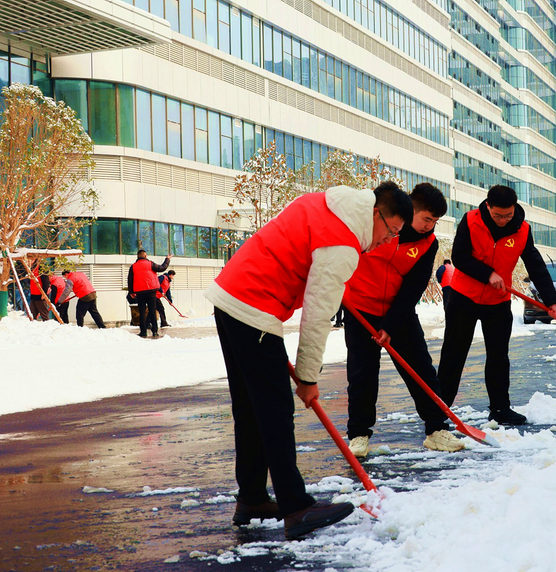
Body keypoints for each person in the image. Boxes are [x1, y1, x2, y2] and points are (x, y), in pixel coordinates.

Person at [204, 182, 412, 540]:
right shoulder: (343, 244)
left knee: (253, 409)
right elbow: (317, 316)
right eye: (391, 231)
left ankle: (252, 498)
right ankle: (296, 506)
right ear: (376, 213)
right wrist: (308, 377)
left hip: (231, 295)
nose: (388, 241)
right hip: (255, 304)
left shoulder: (325, 204)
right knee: (275, 410)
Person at [343, 183, 463, 457]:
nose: (430, 226)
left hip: (399, 311)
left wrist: (390, 325)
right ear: (411, 209)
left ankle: (436, 429)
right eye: (427, 219)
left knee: (421, 368)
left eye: (435, 221)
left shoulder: (428, 243)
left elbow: (414, 286)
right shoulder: (378, 226)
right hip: (360, 307)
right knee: (362, 374)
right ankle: (359, 435)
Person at [437, 185, 556, 425]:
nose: (503, 220)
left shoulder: (523, 229)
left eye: (508, 215)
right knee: (454, 354)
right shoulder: (471, 221)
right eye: (498, 215)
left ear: (514, 208)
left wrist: (552, 301)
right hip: (464, 297)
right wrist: (488, 274)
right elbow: (460, 257)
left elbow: (535, 265)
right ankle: (440, 410)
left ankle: (500, 408)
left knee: (498, 357)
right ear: (488, 207)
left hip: (497, 301)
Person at [127, 250, 171, 338]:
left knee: (142, 311)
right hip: (151, 291)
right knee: (152, 310)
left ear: (137, 256)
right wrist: (167, 259)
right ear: (145, 255)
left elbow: (130, 279)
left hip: (140, 292)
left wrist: (131, 292)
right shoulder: (150, 264)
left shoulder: (133, 267)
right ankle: (155, 331)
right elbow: (162, 268)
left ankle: (143, 331)